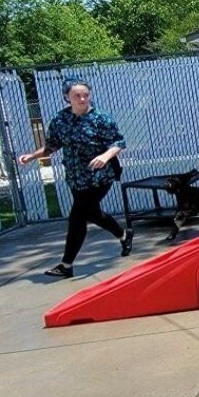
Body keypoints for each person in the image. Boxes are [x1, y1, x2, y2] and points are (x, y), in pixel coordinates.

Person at [18, 79, 133, 278]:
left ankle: (66, 264)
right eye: (76, 96)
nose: (82, 99)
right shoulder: (61, 119)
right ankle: (124, 234)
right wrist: (32, 156)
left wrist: (105, 156)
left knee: (77, 216)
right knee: (93, 214)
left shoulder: (101, 118)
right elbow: (52, 145)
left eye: (85, 95)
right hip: (75, 177)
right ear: (67, 97)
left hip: (99, 176)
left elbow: (119, 142)